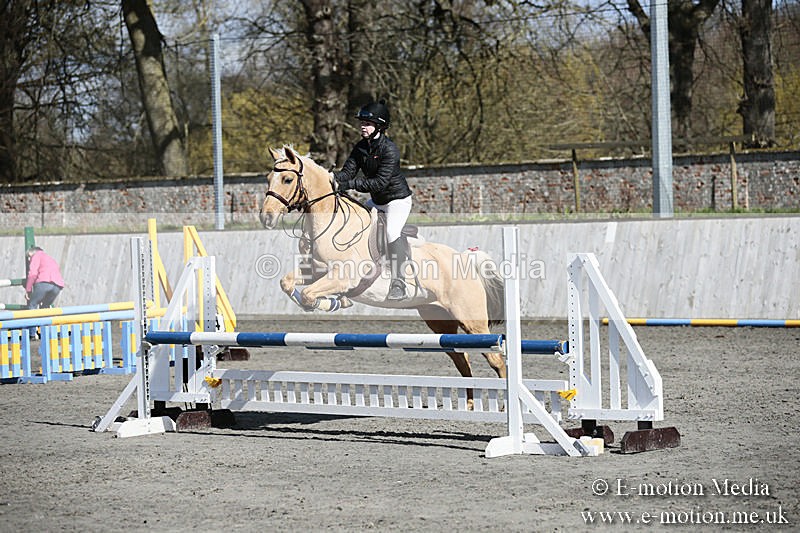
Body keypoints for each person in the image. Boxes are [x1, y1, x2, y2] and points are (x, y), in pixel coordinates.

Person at [334, 100, 413, 301]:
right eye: (362, 123)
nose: (363, 127)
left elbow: (378, 183)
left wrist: (349, 185)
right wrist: (329, 179)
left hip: (397, 201)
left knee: (391, 232)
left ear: (379, 126)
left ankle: (399, 283)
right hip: (377, 201)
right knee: (353, 222)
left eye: (367, 124)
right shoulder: (361, 147)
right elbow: (347, 172)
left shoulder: (390, 150)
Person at [24, 246, 65, 338]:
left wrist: (28, 289)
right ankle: (46, 332)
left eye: (29, 257)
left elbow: (33, 273)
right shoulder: (50, 258)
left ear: (32, 253)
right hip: (57, 285)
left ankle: (32, 333)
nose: (29, 259)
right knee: (45, 307)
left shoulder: (36, 256)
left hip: (44, 282)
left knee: (32, 305)